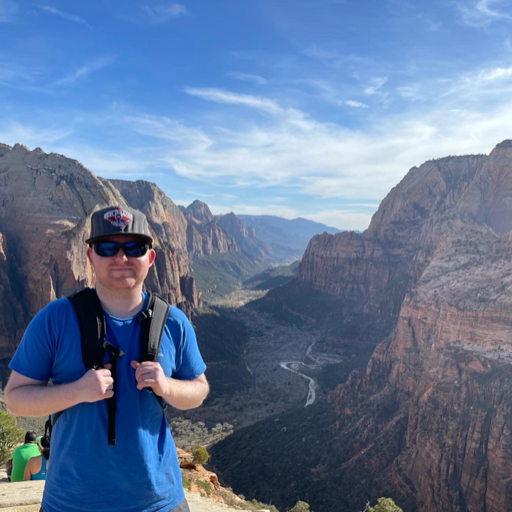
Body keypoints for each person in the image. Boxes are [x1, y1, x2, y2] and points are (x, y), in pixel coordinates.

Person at [5, 205, 209, 512]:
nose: (121, 257)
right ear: (89, 257)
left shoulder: (173, 321)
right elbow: (15, 400)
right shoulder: (55, 319)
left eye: (134, 247)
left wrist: (166, 387)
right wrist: (78, 391)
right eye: (107, 247)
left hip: (160, 503)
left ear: (150, 258)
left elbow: (199, 389)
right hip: (71, 504)